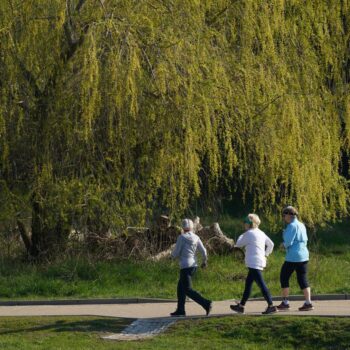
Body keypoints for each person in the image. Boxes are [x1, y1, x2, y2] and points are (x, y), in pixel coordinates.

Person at [230, 213, 278, 315]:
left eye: (245, 222)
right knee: (248, 284)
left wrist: (242, 234)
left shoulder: (248, 234)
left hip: (253, 262)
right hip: (259, 261)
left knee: (261, 284)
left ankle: (271, 306)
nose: (244, 224)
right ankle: (241, 306)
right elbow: (271, 244)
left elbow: (238, 244)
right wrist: (266, 254)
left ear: (249, 223)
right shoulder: (261, 233)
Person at [170, 218, 212, 317]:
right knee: (180, 288)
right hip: (193, 266)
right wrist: (204, 261)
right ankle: (180, 310)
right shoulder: (196, 237)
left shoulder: (181, 237)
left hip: (185, 266)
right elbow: (204, 251)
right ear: (192, 227)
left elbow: (176, 252)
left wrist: (171, 257)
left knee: (188, 290)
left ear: (183, 227)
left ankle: (206, 303)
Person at [277, 206, 314, 311]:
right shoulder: (302, 225)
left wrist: (282, 245)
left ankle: (285, 302)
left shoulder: (292, 226)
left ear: (289, 215)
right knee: (303, 279)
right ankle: (308, 303)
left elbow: (288, 242)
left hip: (293, 257)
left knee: (284, 277)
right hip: (304, 255)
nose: (284, 218)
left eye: (284, 215)